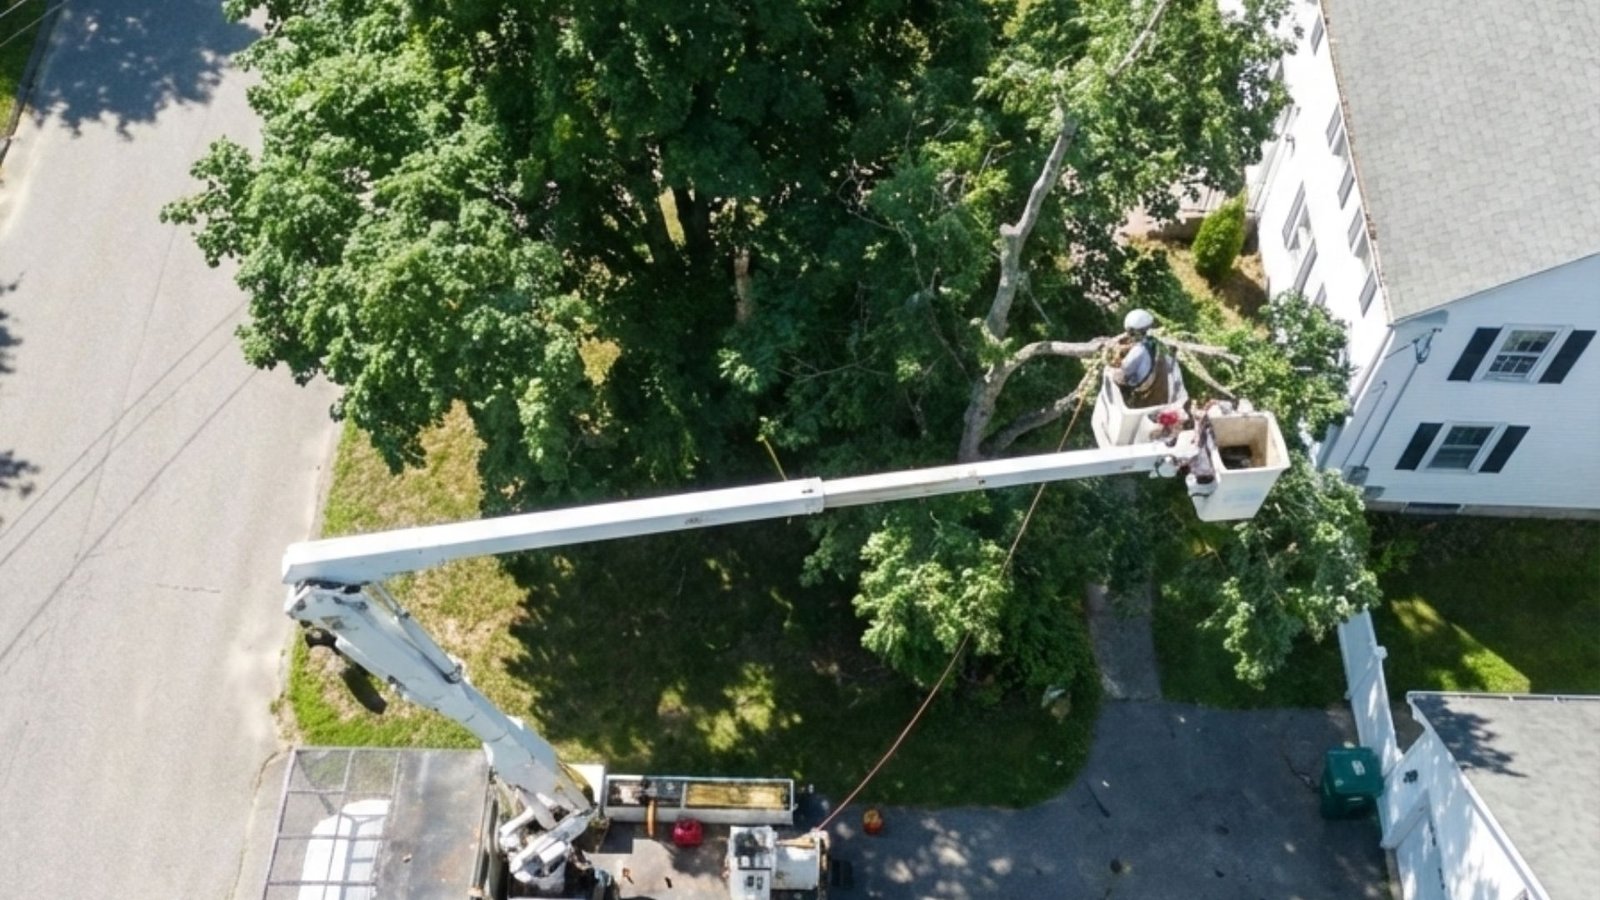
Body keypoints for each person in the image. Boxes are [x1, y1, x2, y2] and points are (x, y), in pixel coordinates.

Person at [1110, 308, 1165, 405]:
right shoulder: (1154, 342)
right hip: (1153, 375)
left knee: (1112, 375)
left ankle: (1127, 398)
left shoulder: (1138, 350)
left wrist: (1113, 369)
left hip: (1142, 384)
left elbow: (1126, 370)